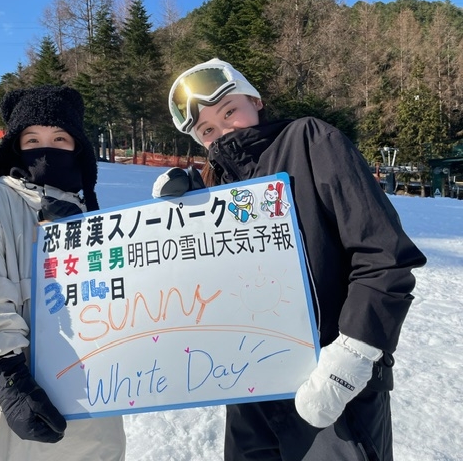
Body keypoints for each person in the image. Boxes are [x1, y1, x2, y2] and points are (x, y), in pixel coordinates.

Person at [156, 58, 427, 460]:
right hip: (249, 386)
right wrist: (179, 213)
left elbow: (384, 254)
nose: (223, 130)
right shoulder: (216, 188)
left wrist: (352, 356)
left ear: (256, 100)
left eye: (229, 111)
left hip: (331, 383)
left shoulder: (309, 140)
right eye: (207, 130)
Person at [0, 85, 126, 461]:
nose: (45, 148)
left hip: (81, 399)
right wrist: (9, 377)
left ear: (76, 148)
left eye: (59, 138)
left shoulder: (92, 218)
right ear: (15, 147)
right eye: (32, 138)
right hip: (0, 398)